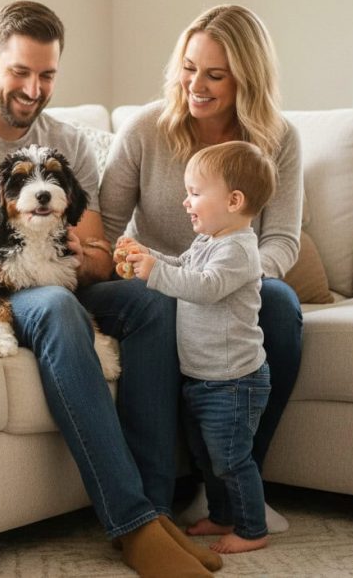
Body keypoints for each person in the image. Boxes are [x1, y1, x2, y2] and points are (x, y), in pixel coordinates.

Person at [0, 2, 221, 576]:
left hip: (56, 275)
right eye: (19, 72)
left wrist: (91, 255)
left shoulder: (69, 143)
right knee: (58, 307)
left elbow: (93, 260)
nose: (34, 89)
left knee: (149, 304)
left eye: (48, 75)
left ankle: (157, 508)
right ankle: (131, 523)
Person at [100, 4, 303, 533]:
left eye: (215, 75)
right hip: (161, 279)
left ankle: (239, 487)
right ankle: (179, 493)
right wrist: (125, 260)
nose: (197, 84)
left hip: (235, 279)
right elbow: (105, 226)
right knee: (157, 306)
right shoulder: (145, 129)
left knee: (280, 306)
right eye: (189, 68)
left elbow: (281, 238)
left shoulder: (277, 139)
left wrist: (240, 282)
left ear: (247, 78)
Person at [125, 141, 276, 554]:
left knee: (230, 459)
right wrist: (146, 254)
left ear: (234, 200)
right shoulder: (210, 240)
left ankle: (251, 528)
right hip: (204, 377)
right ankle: (223, 514)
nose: (185, 201)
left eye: (194, 192)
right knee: (207, 458)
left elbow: (204, 288)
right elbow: (182, 268)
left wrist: (152, 272)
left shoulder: (239, 250)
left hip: (233, 381)